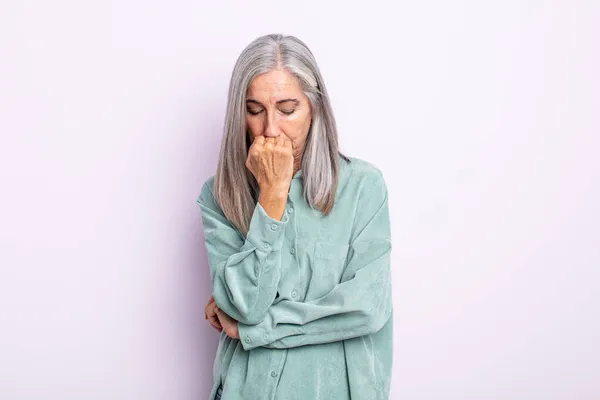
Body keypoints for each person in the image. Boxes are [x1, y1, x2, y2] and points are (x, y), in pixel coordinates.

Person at [197, 33, 393, 400]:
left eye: (287, 109)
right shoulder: (219, 196)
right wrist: (272, 194)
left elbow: (365, 309)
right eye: (254, 110)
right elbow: (245, 305)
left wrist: (256, 329)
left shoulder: (364, 188)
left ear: (314, 107)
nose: (270, 129)